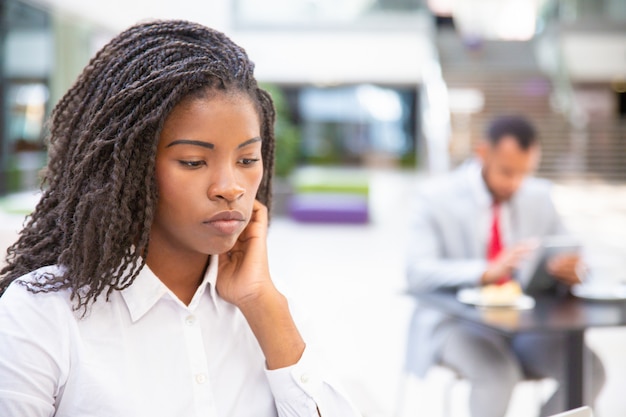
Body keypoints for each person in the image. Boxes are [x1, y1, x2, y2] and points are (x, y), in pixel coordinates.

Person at [0, 20, 361, 417]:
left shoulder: (270, 309)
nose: (230, 187)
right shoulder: (43, 315)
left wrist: (264, 308)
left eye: (246, 160)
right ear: (130, 170)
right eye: (193, 161)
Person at [405, 115, 605, 417]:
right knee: (497, 374)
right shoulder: (435, 198)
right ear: (483, 153)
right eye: (507, 172)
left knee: (589, 370)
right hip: (456, 324)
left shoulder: (538, 196)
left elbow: (574, 251)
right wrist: (485, 271)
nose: (515, 184)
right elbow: (417, 272)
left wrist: (573, 269)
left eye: (524, 173)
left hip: (524, 327)